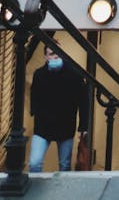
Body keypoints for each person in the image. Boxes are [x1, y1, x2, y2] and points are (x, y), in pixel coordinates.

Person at [29, 40, 89, 173]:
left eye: (58, 53)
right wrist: (34, 111)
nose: (55, 56)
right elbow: (35, 94)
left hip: (65, 127)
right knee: (34, 163)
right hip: (43, 126)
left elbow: (83, 101)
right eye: (51, 54)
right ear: (46, 57)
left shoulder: (74, 75)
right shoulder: (39, 74)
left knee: (64, 165)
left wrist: (84, 126)